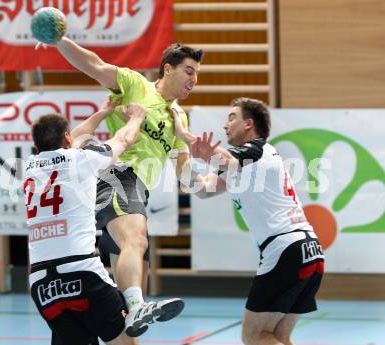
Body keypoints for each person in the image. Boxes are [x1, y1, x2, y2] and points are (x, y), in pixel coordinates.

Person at [36, 32, 212, 337]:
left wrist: (206, 169)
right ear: (167, 69)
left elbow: (186, 180)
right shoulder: (136, 85)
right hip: (117, 175)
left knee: (126, 325)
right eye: (189, 70)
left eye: (197, 73)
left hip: (137, 192)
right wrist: (59, 40)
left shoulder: (179, 117)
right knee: (137, 242)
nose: (194, 78)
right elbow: (93, 64)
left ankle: (131, 309)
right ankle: (136, 304)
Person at [172, 97, 325, 345]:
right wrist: (178, 152)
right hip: (309, 250)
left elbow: (222, 158)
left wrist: (181, 132)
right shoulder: (246, 165)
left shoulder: (257, 150)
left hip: (284, 249)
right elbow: (200, 189)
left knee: (254, 336)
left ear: (248, 124)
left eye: (232, 117)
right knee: (277, 336)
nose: (225, 124)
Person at [24, 100, 146, 345]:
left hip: (41, 283)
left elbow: (73, 136)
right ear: (67, 138)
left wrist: (102, 113)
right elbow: (124, 140)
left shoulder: (29, 167)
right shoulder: (81, 159)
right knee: (125, 342)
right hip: (81, 272)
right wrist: (136, 118)